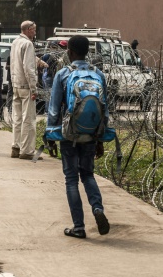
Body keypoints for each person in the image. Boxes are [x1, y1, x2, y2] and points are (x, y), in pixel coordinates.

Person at [46, 35, 110, 239]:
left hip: (69, 134)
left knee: (71, 179)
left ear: (69, 52)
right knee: (88, 175)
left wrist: (49, 134)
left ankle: (79, 227)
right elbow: (105, 110)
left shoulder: (63, 74)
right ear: (87, 52)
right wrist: (100, 138)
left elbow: (54, 109)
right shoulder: (98, 74)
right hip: (91, 134)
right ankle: (98, 209)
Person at [10, 20, 39, 160]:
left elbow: (14, 63)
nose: (35, 32)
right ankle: (27, 151)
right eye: (33, 30)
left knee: (17, 118)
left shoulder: (15, 42)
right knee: (28, 119)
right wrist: (34, 88)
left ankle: (15, 147)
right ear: (28, 29)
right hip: (26, 86)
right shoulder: (28, 44)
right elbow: (28, 68)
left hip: (16, 84)